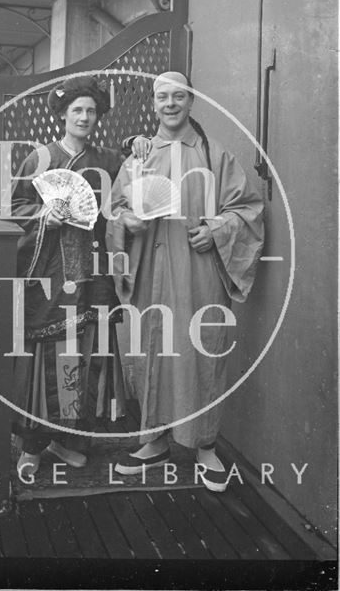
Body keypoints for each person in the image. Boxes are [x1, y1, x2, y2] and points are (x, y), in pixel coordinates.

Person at [107, 71, 264, 491]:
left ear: (191, 100)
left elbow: (247, 209)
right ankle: (154, 441)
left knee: (200, 353)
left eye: (179, 96)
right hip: (149, 276)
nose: (170, 104)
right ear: (153, 103)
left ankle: (204, 444)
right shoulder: (138, 157)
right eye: (163, 97)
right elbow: (116, 209)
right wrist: (129, 222)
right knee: (150, 351)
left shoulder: (215, 155)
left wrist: (216, 230)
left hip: (198, 277)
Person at [11, 75, 125, 475]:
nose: (85, 116)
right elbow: (16, 210)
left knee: (86, 354)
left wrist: (137, 145)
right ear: (62, 115)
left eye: (91, 110)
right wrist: (44, 215)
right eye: (77, 109)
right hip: (52, 275)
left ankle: (67, 438)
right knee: (49, 356)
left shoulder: (110, 161)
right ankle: (33, 445)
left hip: (94, 273)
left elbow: (127, 199)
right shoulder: (39, 161)